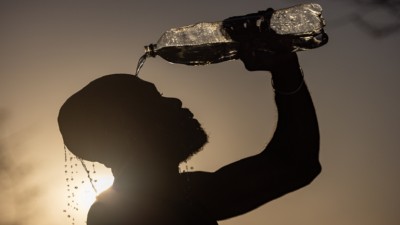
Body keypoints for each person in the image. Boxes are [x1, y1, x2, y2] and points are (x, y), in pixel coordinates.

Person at [58, 44, 321, 225]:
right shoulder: (122, 214)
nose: (175, 101)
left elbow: (296, 164)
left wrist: (285, 68)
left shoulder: (183, 192)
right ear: (121, 131)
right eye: (151, 100)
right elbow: (294, 165)